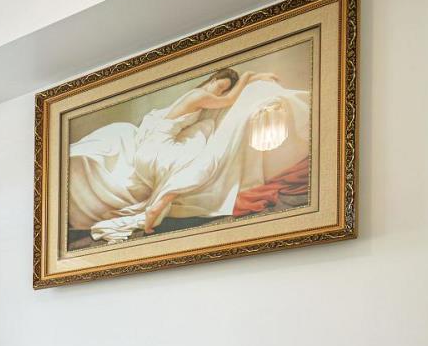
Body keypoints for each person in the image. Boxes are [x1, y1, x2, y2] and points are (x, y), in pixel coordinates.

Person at [67, 67, 308, 242]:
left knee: (201, 151)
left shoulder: (193, 100)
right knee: (203, 163)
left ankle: (159, 204)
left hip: (154, 149)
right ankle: (161, 202)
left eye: (224, 88)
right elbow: (229, 100)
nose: (220, 92)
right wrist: (250, 77)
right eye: (219, 86)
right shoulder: (198, 96)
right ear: (210, 81)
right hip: (157, 150)